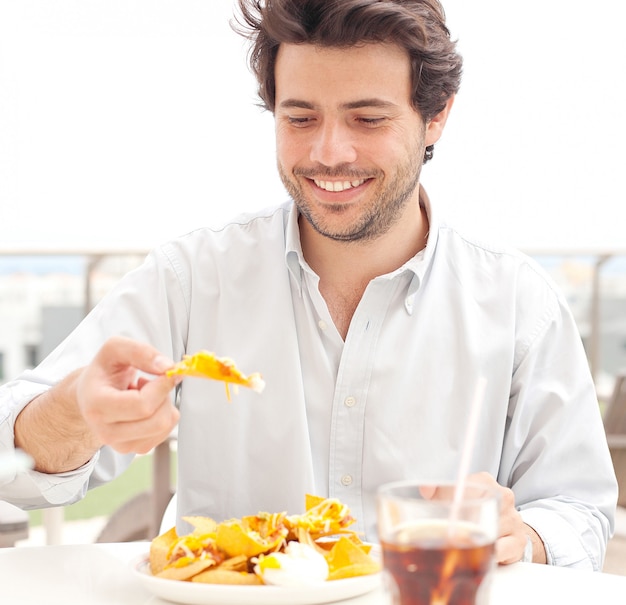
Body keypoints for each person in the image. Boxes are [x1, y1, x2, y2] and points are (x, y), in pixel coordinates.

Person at [0, 0, 617, 570]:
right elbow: (16, 467)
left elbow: (580, 510)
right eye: (300, 117)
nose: (329, 152)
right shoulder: (193, 278)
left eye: (367, 118)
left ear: (436, 116)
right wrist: (77, 408)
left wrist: (523, 536)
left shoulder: (519, 303)